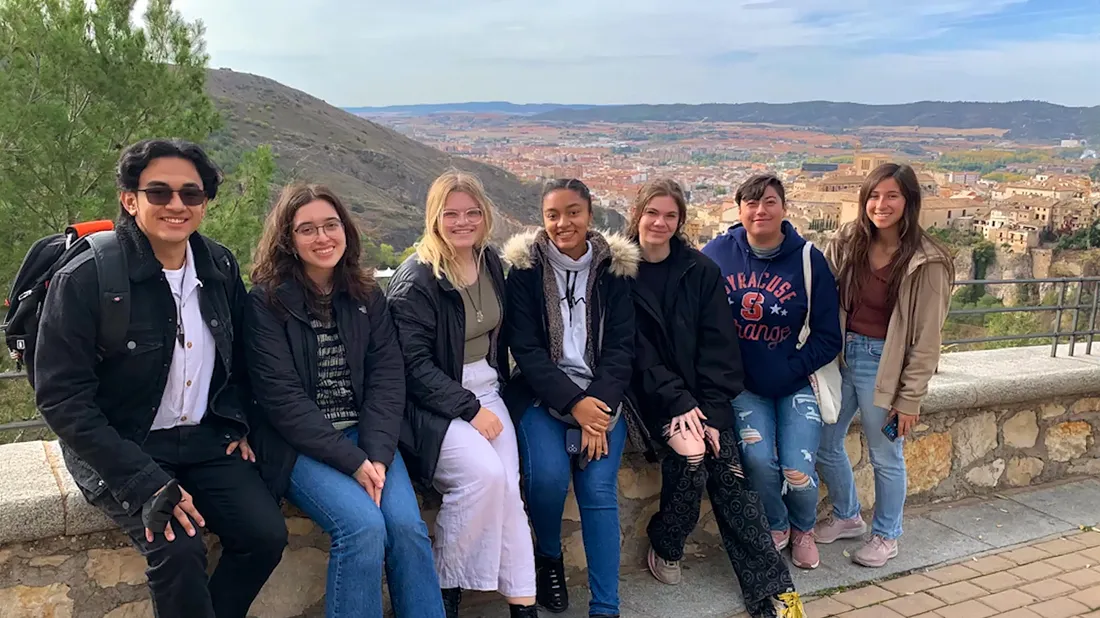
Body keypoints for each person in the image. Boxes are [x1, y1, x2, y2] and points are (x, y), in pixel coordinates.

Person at [34, 139, 287, 618]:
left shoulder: (219, 266)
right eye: (159, 192)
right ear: (130, 200)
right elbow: (62, 398)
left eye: (191, 194)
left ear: (205, 203)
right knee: (178, 550)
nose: (177, 205)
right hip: (125, 445)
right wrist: (144, 481)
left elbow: (242, 359)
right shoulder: (88, 277)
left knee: (265, 535)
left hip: (204, 440)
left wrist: (240, 422)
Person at [244, 183, 444, 618]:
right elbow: (282, 400)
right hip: (300, 445)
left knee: (408, 529)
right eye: (307, 229)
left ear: (346, 231)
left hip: (367, 439)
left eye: (330, 225)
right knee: (362, 528)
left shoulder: (368, 296)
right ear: (288, 240)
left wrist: (373, 455)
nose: (322, 238)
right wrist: (353, 463)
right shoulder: (266, 302)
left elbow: (387, 380)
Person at [627, 179, 805, 618]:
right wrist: (680, 403)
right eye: (653, 213)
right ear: (637, 215)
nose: (660, 223)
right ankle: (667, 542)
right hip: (647, 399)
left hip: (701, 400)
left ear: (681, 220)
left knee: (728, 470)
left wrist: (711, 410)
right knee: (690, 460)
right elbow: (634, 353)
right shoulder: (618, 273)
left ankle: (775, 594)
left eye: (670, 215)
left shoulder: (699, 270)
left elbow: (719, 346)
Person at [386, 171, 537, 618]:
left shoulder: (489, 260)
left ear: (485, 216)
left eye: (472, 212)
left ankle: (522, 602)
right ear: (434, 218)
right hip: (437, 403)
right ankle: (441, 593)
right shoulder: (418, 279)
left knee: (508, 487)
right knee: (485, 478)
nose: (463, 222)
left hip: (487, 388)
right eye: (451, 214)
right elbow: (412, 367)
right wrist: (468, 409)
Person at [502, 178, 638, 618]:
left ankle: (606, 607)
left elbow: (621, 346)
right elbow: (525, 349)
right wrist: (573, 404)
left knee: (598, 490)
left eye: (573, 212)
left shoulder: (614, 270)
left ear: (590, 214)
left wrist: (596, 408)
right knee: (547, 480)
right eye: (553, 215)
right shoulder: (523, 272)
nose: (564, 223)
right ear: (542, 220)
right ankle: (548, 559)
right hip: (543, 395)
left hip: (602, 397)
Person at [701, 173, 842, 571]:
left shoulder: (807, 259)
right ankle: (776, 523)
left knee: (798, 464)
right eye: (751, 203)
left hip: (796, 382)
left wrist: (791, 368)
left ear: (784, 208)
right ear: (739, 209)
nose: (760, 210)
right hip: (743, 385)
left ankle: (804, 528)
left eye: (769, 202)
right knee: (758, 459)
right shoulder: (717, 253)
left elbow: (829, 335)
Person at [815, 163, 953, 568]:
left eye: (892, 196)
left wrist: (909, 399)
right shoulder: (847, 243)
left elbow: (927, 339)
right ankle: (848, 515)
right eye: (874, 196)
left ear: (909, 202)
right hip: (840, 358)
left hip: (884, 367)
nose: (881, 204)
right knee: (824, 443)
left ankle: (887, 535)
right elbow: (817, 288)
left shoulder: (928, 261)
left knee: (886, 455)